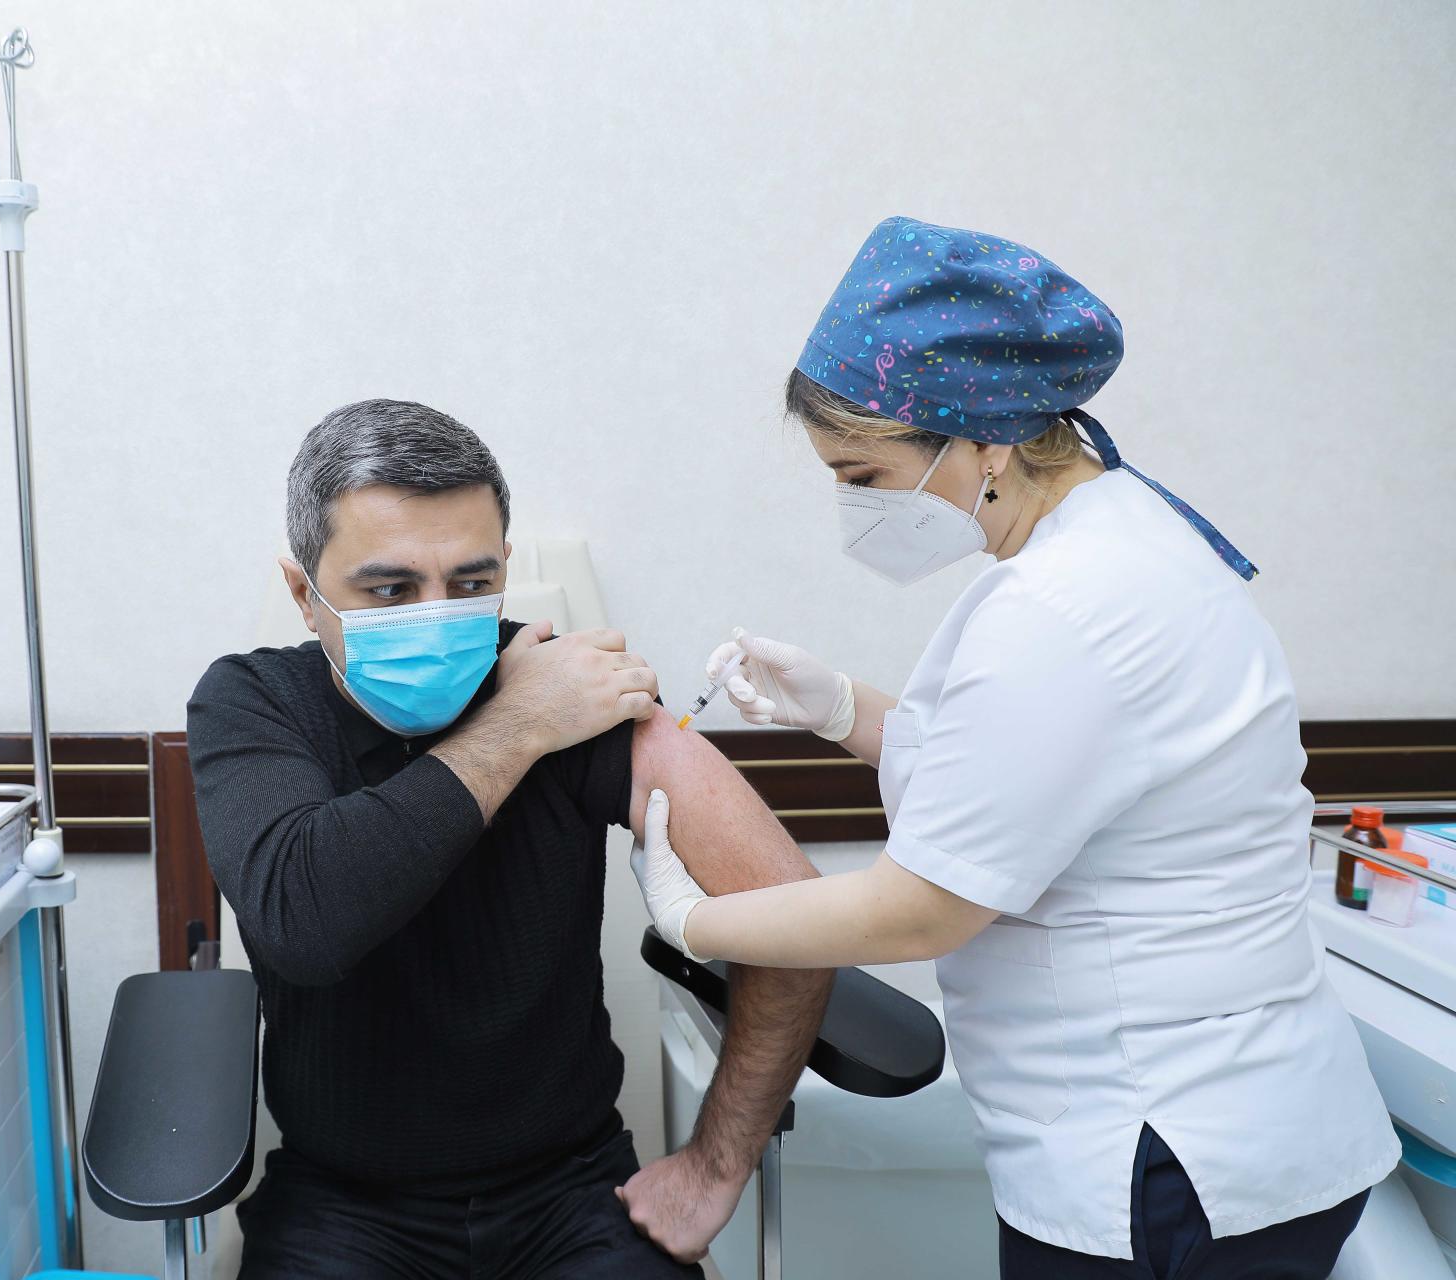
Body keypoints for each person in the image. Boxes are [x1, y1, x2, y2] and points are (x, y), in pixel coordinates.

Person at [632, 217, 1399, 1279]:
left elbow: (926, 907)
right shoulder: (1112, 538)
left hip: (1171, 1147)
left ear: (981, 443)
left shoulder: (1065, 608)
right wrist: (841, 707)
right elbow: (1034, 778)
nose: (854, 507)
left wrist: (694, 919)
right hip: (1227, 1117)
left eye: (865, 474)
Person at [186, 399, 833, 1277]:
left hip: (572, 1194)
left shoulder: (573, 688)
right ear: (306, 594)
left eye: (469, 582)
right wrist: (519, 725)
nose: (438, 615)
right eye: (390, 590)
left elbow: (794, 914)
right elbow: (306, 922)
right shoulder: (255, 704)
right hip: (343, 1204)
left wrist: (718, 1166)